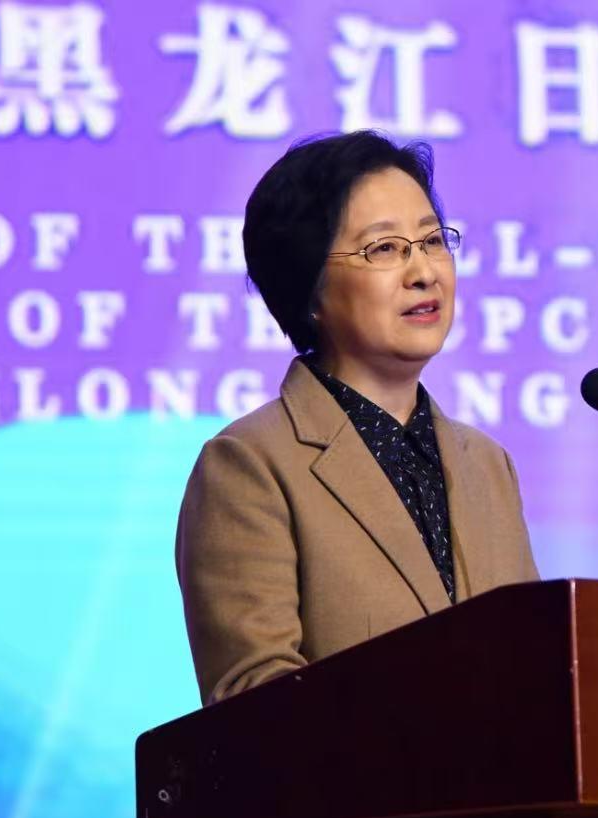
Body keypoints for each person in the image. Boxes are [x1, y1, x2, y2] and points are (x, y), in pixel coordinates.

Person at [176, 130, 540, 712]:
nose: (424, 271)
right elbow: (254, 706)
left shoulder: (489, 465)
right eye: (385, 249)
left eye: (432, 240)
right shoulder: (249, 466)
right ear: (309, 288)